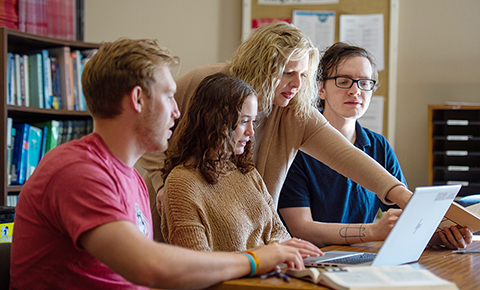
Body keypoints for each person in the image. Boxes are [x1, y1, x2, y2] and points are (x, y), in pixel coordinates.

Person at [9, 38, 309, 290]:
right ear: (138, 99)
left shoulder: (130, 177)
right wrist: (256, 259)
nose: (177, 112)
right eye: (168, 96)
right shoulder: (77, 172)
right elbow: (149, 266)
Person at [139, 21, 414, 242]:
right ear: (261, 65)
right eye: (287, 72)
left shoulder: (293, 109)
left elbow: (345, 155)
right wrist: (161, 182)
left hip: (247, 240)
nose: (296, 84)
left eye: (303, 75)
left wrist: (399, 193)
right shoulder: (204, 82)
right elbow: (147, 126)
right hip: (181, 216)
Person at [278, 42, 473, 249]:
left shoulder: (379, 146)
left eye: (364, 82)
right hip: (307, 261)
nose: (355, 91)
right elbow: (301, 230)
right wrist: (373, 231)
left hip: (361, 257)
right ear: (320, 89)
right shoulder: (297, 147)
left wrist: (443, 237)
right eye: (344, 81)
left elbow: (407, 219)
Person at [160, 72, 322, 258]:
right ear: (213, 120)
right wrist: (266, 254)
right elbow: (197, 265)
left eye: (253, 121)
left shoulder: (246, 172)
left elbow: (280, 232)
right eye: (244, 121)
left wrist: (278, 253)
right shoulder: (182, 183)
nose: (251, 132)